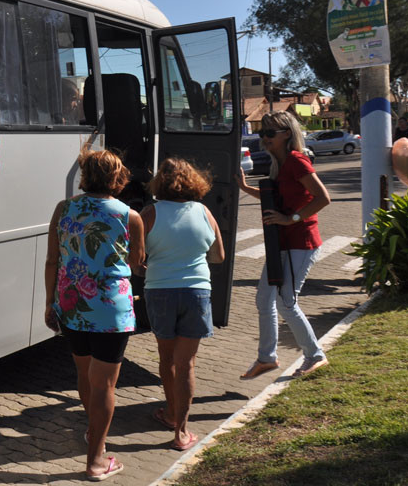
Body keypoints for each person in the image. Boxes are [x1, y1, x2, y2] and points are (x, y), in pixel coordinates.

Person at [44, 149, 145, 481]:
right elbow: (136, 263)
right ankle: (96, 460)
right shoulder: (129, 216)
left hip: (72, 304)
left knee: (86, 377)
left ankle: (94, 432)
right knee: (105, 385)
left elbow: (52, 262)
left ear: (85, 175)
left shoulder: (64, 209)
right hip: (110, 311)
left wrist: (50, 303)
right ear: (118, 177)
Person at [237, 111, 332, 380]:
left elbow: (322, 198)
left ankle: (315, 355)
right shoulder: (278, 163)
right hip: (283, 243)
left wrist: (290, 219)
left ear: (287, 134)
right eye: (261, 133)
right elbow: (277, 197)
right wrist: (245, 188)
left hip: (301, 243)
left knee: (286, 303)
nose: (264, 138)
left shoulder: (296, 161)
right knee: (264, 299)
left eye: (270, 133)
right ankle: (267, 358)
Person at [140, 158, 224, 452]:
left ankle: (171, 412)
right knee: (186, 363)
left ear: (159, 183)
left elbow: (135, 259)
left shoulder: (149, 213)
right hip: (197, 292)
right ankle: (181, 432)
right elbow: (219, 256)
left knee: (167, 360)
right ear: (193, 181)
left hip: (160, 291)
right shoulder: (204, 212)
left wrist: (151, 268)